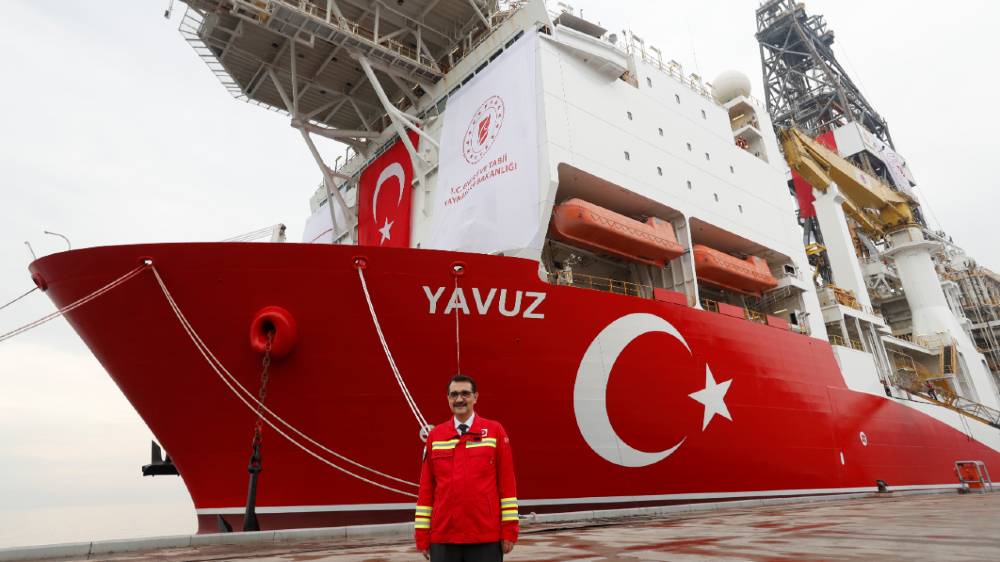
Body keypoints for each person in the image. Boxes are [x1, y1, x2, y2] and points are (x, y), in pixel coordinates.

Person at [415, 374, 518, 561]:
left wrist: (510, 529)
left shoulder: (494, 431)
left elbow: (507, 485)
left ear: (475, 397)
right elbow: (426, 489)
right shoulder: (435, 436)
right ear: (448, 398)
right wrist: (422, 535)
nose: (459, 399)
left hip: (485, 535)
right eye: (454, 394)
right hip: (444, 536)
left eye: (465, 394)